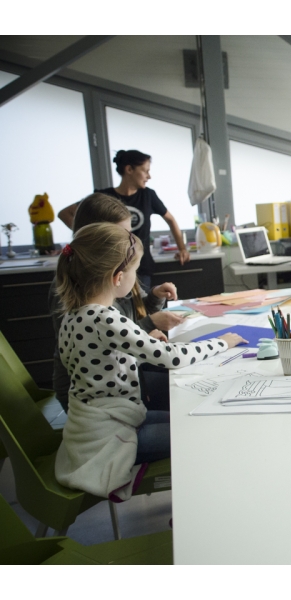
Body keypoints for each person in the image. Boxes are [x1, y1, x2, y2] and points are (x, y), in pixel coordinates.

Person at [53, 222, 245, 500]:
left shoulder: (74, 315)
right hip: (109, 437)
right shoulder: (105, 317)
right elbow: (173, 358)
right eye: (134, 271)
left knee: (189, 418)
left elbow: (100, 362)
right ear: (118, 277)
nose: (136, 279)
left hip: (94, 426)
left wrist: (143, 341)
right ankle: (200, 507)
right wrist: (223, 342)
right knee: (204, 432)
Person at [49, 193, 186, 412]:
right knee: (180, 398)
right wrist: (149, 325)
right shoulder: (73, 284)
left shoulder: (117, 267)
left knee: (183, 387)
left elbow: (134, 314)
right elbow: (94, 339)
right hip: (95, 397)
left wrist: (155, 296)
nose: (128, 240)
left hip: (123, 377)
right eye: (122, 234)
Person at [57, 150, 190, 290]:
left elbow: (171, 220)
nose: (149, 176)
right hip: (110, 268)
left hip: (141, 268)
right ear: (129, 169)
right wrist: (89, 236)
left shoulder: (148, 195)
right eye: (145, 171)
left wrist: (182, 249)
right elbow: (65, 214)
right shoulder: (104, 196)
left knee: (142, 303)